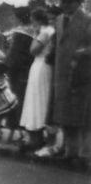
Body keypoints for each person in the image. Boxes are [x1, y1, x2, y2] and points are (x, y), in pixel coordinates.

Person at [49, 0, 91, 162]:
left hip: (80, 74)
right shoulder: (58, 20)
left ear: (78, 2)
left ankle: (82, 153)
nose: (64, 6)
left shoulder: (88, 20)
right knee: (63, 114)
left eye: (68, 3)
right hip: (61, 75)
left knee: (81, 115)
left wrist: (82, 53)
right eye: (62, 2)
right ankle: (68, 150)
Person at [22, 9, 58, 156]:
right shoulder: (51, 30)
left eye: (33, 20)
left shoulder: (44, 32)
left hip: (41, 66)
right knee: (42, 98)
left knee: (38, 99)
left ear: (37, 20)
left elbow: (33, 50)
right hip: (44, 67)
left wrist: (35, 34)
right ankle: (41, 138)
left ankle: (37, 138)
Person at [4, 7, 35, 143]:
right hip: (27, 70)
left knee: (15, 100)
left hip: (17, 72)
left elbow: (13, 56)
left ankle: (14, 132)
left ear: (18, 18)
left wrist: (6, 66)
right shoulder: (33, 30)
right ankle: (22, 131)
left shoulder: (20, 33)